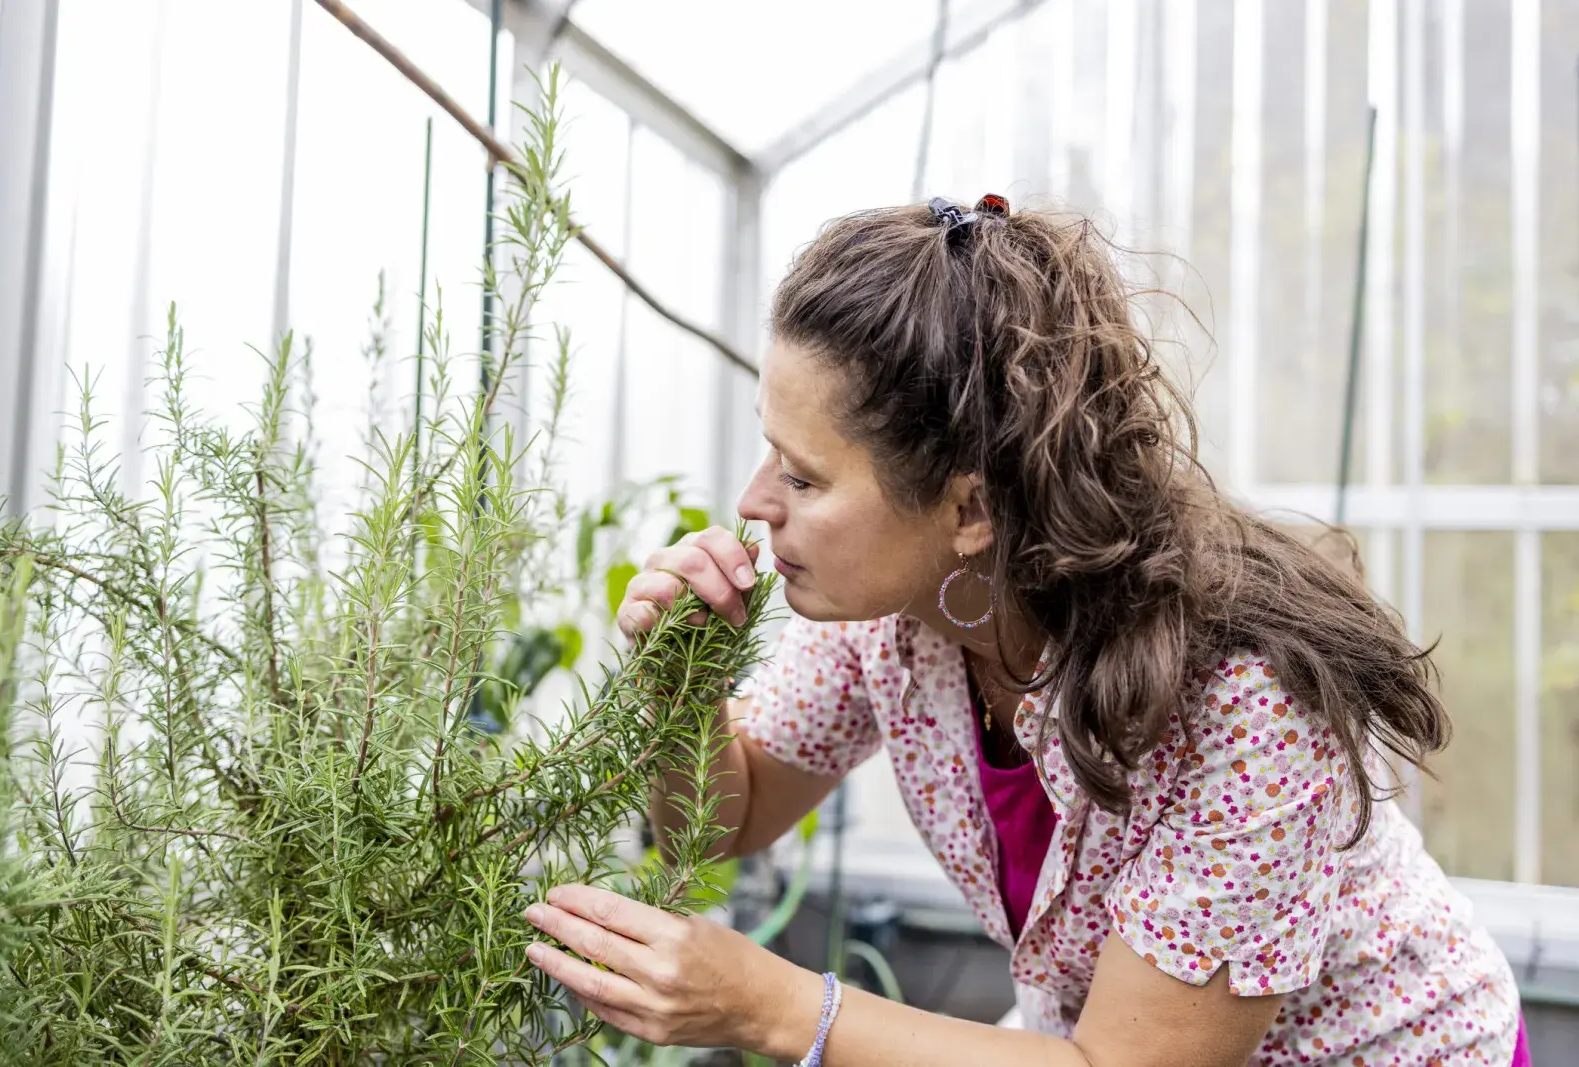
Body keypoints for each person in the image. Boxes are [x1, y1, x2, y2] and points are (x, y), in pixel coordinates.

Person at [520, 196, 1527, 1066]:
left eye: (803, 475)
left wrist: (776, 1004)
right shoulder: (896, 621)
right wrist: (678, 688)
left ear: (970, 509)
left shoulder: (1243, 699)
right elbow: (720, 820)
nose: (751, 502)